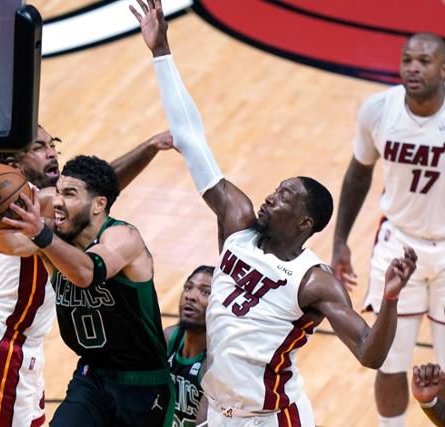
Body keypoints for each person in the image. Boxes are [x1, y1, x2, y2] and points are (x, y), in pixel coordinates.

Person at [129, 1, 418, 425]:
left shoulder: (314, 281)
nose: (269, 197)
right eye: (276, 189)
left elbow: (369, 353)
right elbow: (191, 138)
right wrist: (161, 52)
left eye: (284, 196)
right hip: (221, 411)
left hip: (274, 417)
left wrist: (390, 299)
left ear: (305, 222)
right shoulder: (237, 223)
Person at [0, 126, 174, 427]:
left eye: (53, 144)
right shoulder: (27, 211)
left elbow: (97, 188)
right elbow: (89, 195)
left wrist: (150, 147)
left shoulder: (49, 214)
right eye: (39, 147)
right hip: (8, 345)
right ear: (13, 165)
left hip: (36, 350)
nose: (51, 152)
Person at [331, 32, 445, 427]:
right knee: (390, 363)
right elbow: (358, 172)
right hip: (399, 245)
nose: (413, 68)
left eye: (424, 61)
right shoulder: (378, 110)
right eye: (407, 59)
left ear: (443, 68)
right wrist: (340, 241)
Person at [164, 265, 213, 427]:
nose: (190, 296)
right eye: (188, 287)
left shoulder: (215, 363)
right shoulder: (168, 339)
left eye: (205, 292)